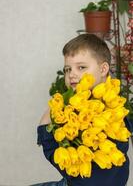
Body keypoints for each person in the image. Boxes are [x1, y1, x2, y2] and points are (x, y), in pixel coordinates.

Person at [36, 34, 130, 186]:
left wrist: (44, 130)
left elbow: (74, 171)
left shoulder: (114, 115)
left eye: (81, 67)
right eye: (67, 69)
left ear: (103, 69)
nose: (72, 74)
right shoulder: (72, 109)